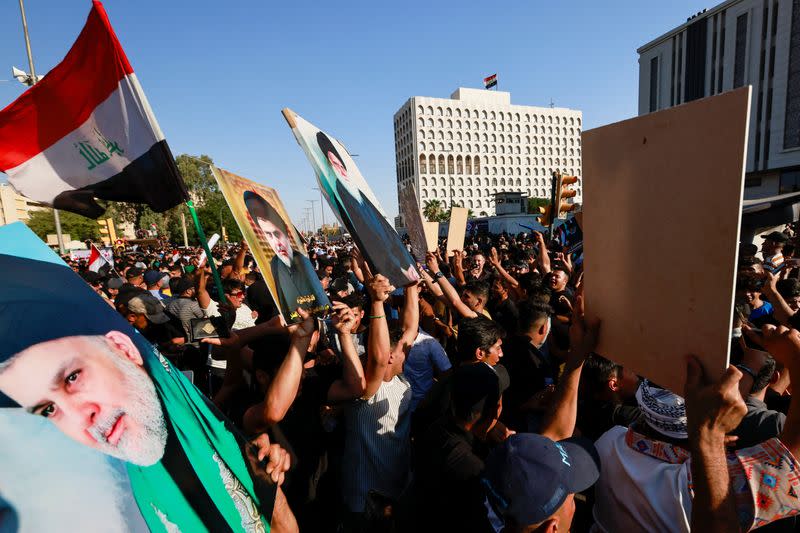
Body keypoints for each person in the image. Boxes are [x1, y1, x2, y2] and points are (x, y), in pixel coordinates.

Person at [0, 257, 297, 532]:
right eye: (48, 409)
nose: (82, 415)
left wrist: (264, 484)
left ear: (124, 347)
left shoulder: (198, 418)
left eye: (73, 377)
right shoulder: (105, 507)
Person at [316, 131, 419, 287]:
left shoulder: (361, 193)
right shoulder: (341, 197)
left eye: (339, 161)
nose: (340, 168)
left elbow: (386, 232)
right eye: (334, 164)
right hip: (389, 267)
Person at [244, 190, 330, 322]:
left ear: (284, 231)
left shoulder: (302, 260)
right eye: (268, 235)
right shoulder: (274, 263)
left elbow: (320, 302)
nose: (276, 243)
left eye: (276, 234)